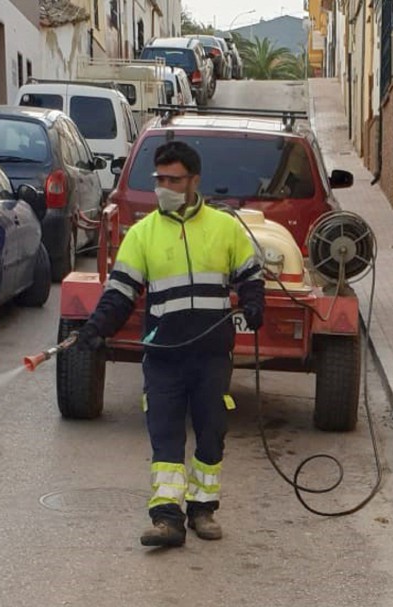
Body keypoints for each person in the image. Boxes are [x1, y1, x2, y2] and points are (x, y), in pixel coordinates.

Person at [76, 141, 265, 548]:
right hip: (164, 355)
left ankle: (203, 509)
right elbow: (121, 292)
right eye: (159, 179)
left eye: (173, 180)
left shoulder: (224, 227)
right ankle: (166, 519)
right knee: (164, 436)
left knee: (211, 431)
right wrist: (96, 329)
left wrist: (253, 300)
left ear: (194, 181)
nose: (164, 187)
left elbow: (250, 272)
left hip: (212, 353)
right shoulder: (143, 233)